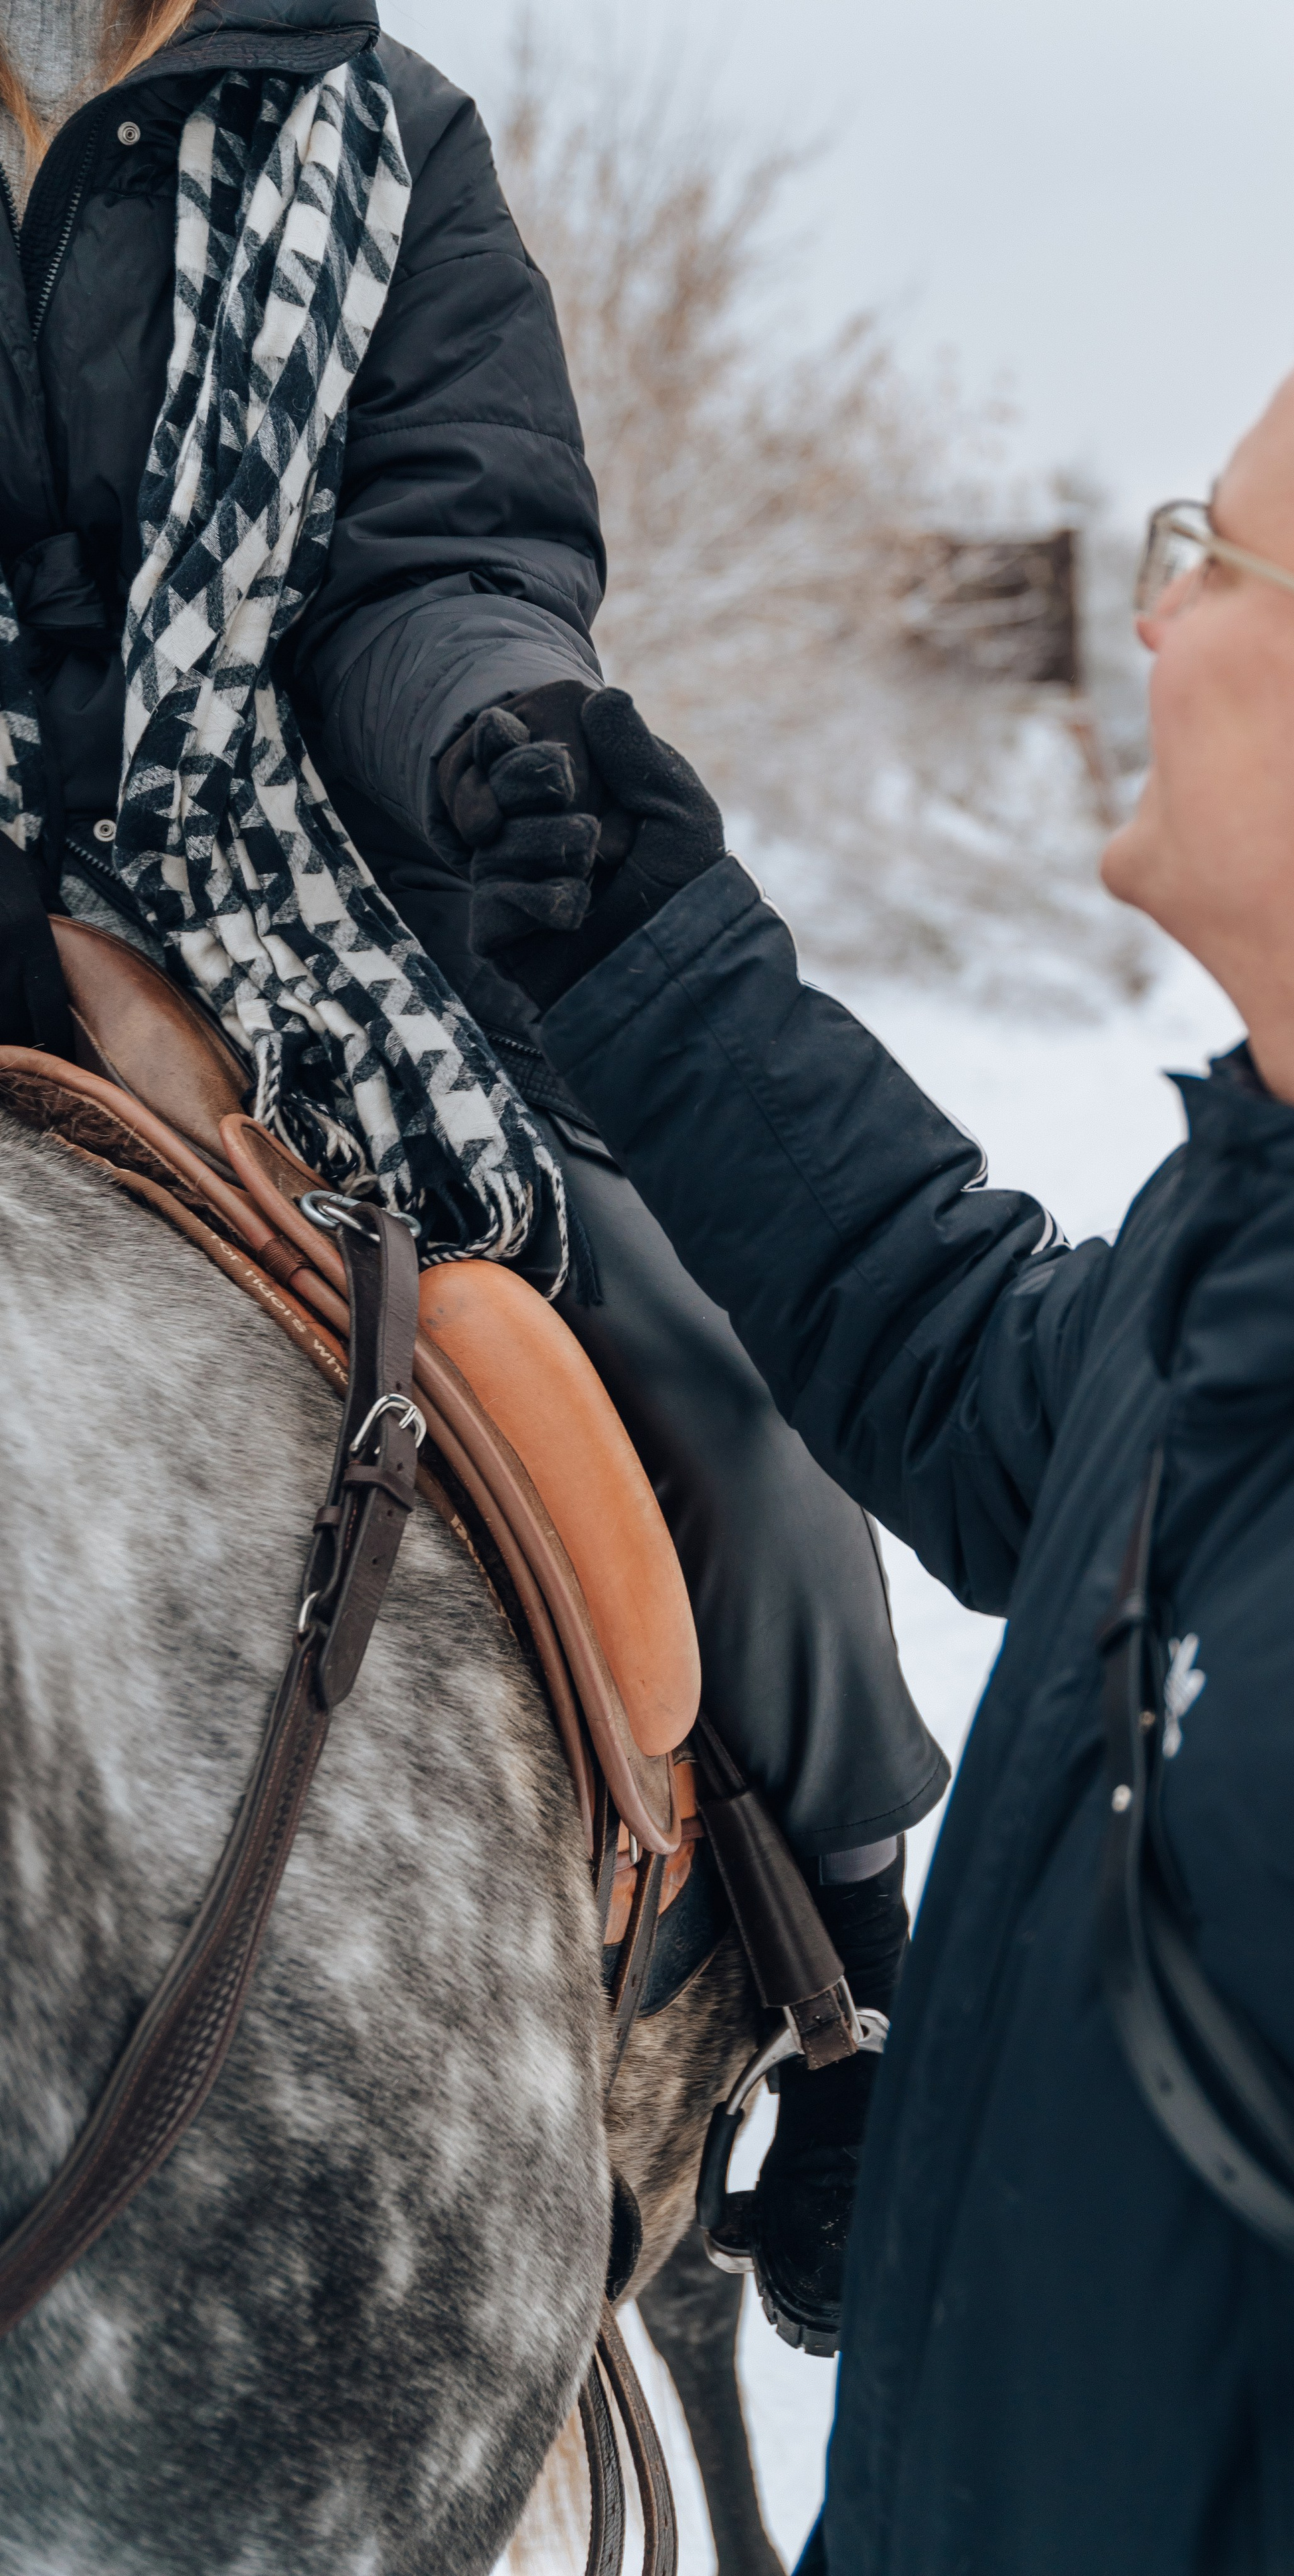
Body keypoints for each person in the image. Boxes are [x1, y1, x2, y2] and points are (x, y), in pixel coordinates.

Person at [468, 241, 1294, 2571]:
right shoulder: (1282, 1260)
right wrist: (635, 948)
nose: (1150, 617)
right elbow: (953, 1353)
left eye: (1213, 553)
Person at [0, 0, 944, 2356]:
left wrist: (496, 728)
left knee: (700, 1359)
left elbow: (447, 548)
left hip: (284, 876)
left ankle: (852, 1986)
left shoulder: (380, 133)